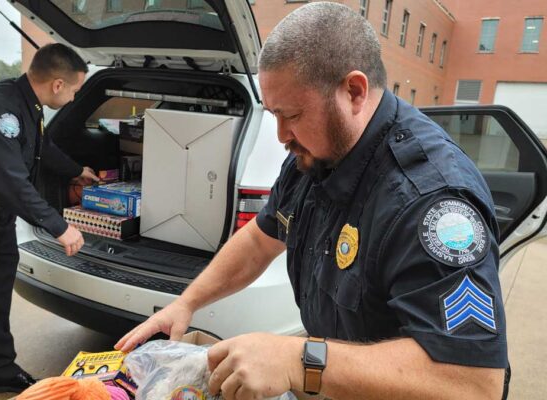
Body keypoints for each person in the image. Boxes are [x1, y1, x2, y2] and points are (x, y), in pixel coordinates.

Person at [116, 3, 509, 399]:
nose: (281, 135)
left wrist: (299, 360)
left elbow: (474, 384)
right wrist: (186, 303)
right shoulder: (314, 156)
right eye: (273, 115)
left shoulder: (430, 201)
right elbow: (259, 240)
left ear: (353, 91)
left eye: (293, 114)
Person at [0, 43, 99, 399]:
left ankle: (0, 370)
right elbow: (10, 178)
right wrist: (58, 225)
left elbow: (41, 150)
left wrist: (77, 171)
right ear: (58, 84)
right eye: (76, 90)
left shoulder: (29, 106)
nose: (76, 98)